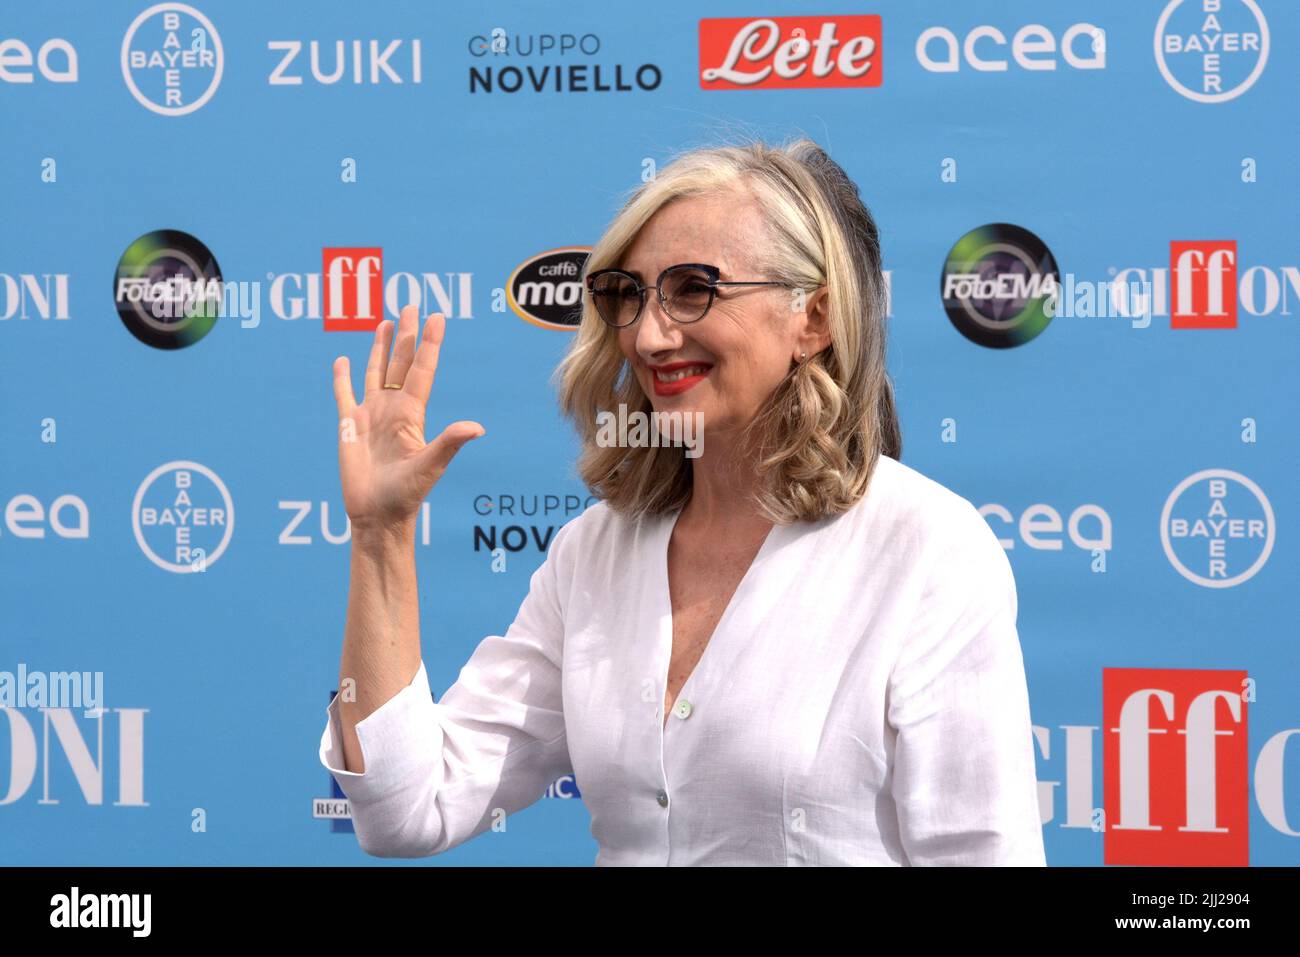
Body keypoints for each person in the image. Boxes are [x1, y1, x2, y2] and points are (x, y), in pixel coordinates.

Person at [318, 137, 1046, 866]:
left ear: (814, 319)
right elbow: (407, 808)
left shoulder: (928, 550)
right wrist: (380, 533)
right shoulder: (593, 553)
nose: (650, 333)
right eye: (628, 296)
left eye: (694, 288)